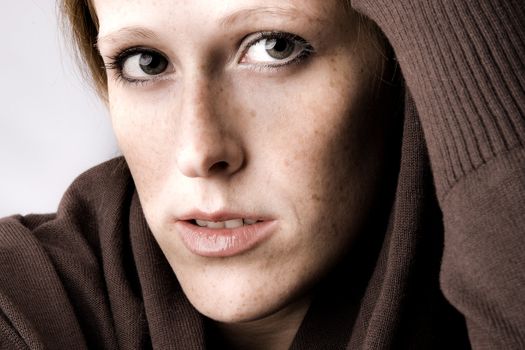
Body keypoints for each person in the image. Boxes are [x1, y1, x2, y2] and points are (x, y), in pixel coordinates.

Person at [0, 0, 523, 348]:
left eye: (275, 47)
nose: (198, 151)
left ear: (406, 59)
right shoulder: (22, 304)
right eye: (145, 62)